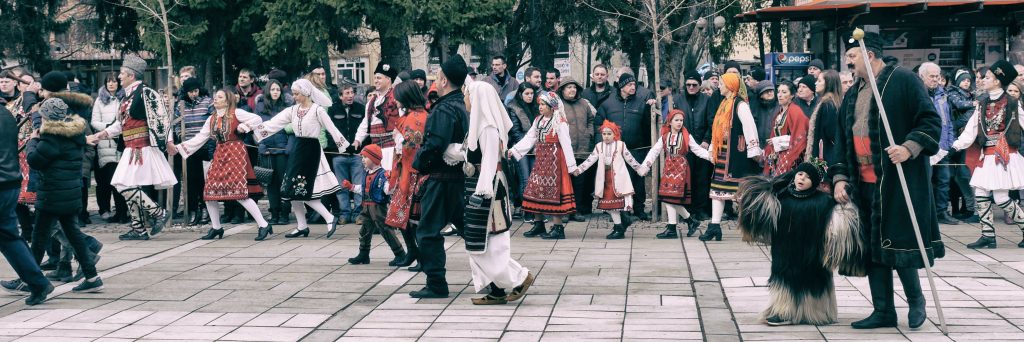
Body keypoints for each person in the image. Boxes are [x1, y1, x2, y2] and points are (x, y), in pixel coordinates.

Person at [832, 30, 943, 330]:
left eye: (852, 57)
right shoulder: (853, 92)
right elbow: (841, 141)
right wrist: (840, 177)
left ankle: (916, 300)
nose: (848, 63)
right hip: (863, 182)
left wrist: (909, 147)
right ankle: (883, 310)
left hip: (897, 180)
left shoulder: (904, 80)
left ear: (869, 55)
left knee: (901, 244)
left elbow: (931, 121)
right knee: (873, 250)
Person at [737, 161, 863, 326]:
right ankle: (783, 311)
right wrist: (782, 179)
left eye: (809, 177)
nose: (802, 178)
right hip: (784, 252)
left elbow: (841, 222)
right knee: (784, 279)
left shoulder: (824, 201)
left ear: (816, 183)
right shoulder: (780, 196)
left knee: (813, 279)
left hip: (813, 253)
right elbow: (758, 198)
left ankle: (815, 312)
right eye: (800, 174)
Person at [87, 54, 176, 241]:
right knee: (127, 185)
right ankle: (139, 228)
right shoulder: (127, 96)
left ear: (131, 75)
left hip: (141, 148)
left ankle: (157, 213)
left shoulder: (146, 93)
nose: (119, 77)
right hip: (131, 147)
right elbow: (120, 124)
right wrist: (100, 135)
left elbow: (162, 118)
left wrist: (167, 141)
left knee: (122, 184)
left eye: (121, 73)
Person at [252, 79, 348, 239]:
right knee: (290, 190)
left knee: (300, 189)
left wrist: (344, 145)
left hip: (311, 151)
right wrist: (253, 129)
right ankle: (302, 225)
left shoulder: (318, 110)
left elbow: (332, 128)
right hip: (297, 149)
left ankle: (330, 217)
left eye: (296, 94)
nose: (294, 96)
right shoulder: (293, 110)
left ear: (305, 93)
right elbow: (274, 123)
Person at [170, 88, 271, 240]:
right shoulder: (211, 118)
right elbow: (200, 138)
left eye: (219, 97)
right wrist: (178, 148)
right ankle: (216, 227)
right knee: (209, 192)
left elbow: (257, 119)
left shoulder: (236, 113)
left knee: (239, 192)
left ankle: (263, 224)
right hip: (220, 153)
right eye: (215, 97)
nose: (215, 99)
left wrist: (245, 127)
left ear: (227, 100)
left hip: (235, 153)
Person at [27, 98, 104, 293]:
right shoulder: (74, 134)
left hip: (52, 195)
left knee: (39, 238)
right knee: (74, 235)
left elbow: (34, 161)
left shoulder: (51, 138)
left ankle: (30, 280)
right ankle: (92, 277)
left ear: (47, 117)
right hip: (70, 194)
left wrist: (32, 141)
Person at [410, 55, 471, 299]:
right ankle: (496, 274)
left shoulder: (444, 108)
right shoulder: (463, 105)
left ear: (444, 79)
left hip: (441, 179)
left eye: (437, 76)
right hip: (457, 178)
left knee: (427, 231)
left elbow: (435, 144)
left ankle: (436, 283)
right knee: (469, 229)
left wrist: (419, 162)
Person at [951, 60, 1024, 249]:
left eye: (988, 77)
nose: (983, 80)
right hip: (988, 155)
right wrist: (957, 146)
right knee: (981, 192)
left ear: (998, 81)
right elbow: (972, 128)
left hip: (1004, 156)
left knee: (1000, 198)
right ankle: (988, 235)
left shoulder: (1013, 103)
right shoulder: (982, 103)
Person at [0, 104, 53, 305]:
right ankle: (38, 283)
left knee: (9, 237)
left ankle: (39, 283)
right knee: (9, 237)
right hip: (10, 182)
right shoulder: (5, 112)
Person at [702, 72, 762, 241]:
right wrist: (713, 148)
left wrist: (753, 150)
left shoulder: (740, 105)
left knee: (741, 193)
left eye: (721, 83)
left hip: (737, 154)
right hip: (723, 153)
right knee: (717, 190)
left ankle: (750, 227)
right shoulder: (724, 104)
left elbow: (750, 127)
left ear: (729, 86)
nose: (719, 86)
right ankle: (715, 226)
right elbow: (717, 130)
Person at [510, 91, 578, 240]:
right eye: (539, 104)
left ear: (552, 107)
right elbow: (530, 138)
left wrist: (572, 166)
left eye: (543, 104)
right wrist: (514, 150)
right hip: (541, 161)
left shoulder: (559, 122)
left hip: (555, 162)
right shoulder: (538, 120)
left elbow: (566, 144)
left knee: (554, 194)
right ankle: (538, 223)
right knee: (534, 190)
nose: (540, 107)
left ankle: (558, 228)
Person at [638, 110, 712, 239]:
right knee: (668, 197)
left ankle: (678, 225)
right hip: (668, 168)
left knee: (671, 198)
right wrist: (645, 165)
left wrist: (711, 157)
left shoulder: (686, 136)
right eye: (676, 120)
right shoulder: (665, 136)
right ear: (670, 121)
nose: (679, 123)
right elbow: (654, 151)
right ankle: (683, 223)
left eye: (681, 120)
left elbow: (697, 150)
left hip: (681, 169)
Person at [596, 73, 653, 221]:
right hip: (615, 149)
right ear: (621, 86)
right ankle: (620, 209)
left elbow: (648, 125)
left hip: (637, 148)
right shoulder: (608, 103)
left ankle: (639, 208)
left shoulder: (641, 103)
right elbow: (599, 124)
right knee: (617, 179)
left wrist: (650, 109)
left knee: (638, 179)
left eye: (634, 84)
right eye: (629, 85)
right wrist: (602, 146)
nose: (633, 87)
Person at [384, 82, 429, 268]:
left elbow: (415, 147)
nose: (394, 100)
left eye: (397, 96)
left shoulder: (417, 118)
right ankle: (412, 251)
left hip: (413, 174)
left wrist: (401, 143)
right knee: (403, 217)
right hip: (405, 172)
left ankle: (421, 256)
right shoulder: (410, 116)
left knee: (413, 219)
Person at [574, 122, 643, 239]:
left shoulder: (620, 145)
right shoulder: (599, 146)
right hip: (605, 179)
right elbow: (590, 160)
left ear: (615, 134)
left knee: (617, 205)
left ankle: (619, 227)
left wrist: (640, 169)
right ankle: (621, 224)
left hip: (618, 179)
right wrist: (579, 169)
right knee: (609, 205)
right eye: (604, 134)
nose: (606, 136)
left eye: (609, 134)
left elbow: (630, 159)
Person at [344, 143, 406, 265]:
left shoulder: (382, 175)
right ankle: (363, 254)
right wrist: (351, 187)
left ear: (374, 159)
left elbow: (388, 190)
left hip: (378, 208)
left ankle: (400, 254)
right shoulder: (367, 173)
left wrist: (392, 180)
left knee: (386, 230)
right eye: (362, 157)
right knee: (365, 230)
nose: (362, 160)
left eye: (365, 157)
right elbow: (362, 189)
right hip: (366, 207)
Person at [915, 63, 960, 226]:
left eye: (937, 76)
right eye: (932, 76)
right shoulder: (918, 94)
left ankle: (942, 212)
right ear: (922, 77)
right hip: (925, 147)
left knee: (944, 181)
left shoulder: (943, 94)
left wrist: (949, 143)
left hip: (942, 146)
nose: (936, 79)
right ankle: (925, 214)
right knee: (925, 182)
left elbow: (948, 121)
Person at [173, 77, 213, 226]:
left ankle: (205, 208)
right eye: (190, 92)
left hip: (204, 146)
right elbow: (176, 123)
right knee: (190, 180)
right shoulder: (181, 105)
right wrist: (179, 134)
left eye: (195, 91)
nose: (193, 94)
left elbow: (212, 120)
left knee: (203, 180)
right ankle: (193, 209)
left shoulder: (208, 102)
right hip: (189, 147)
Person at [254, 80, 294, 225]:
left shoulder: (287, 107)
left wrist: (289, 146)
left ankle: (285, 213)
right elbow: (257, 128)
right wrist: (262, 145)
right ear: (268, 91)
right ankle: (274, 212)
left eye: (278, 89)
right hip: (268, 150)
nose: (275, 92)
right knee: (271, 183)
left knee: (283, 182)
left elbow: (292, 129)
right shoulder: (260, 107)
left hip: (283, 149)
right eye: (273, 89)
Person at [558, 76, 597, 222]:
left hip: (582, 148)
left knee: (580, 182)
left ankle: (577, 210)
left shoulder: (584, 104)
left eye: (574, 87)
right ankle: (565, 211)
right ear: (562, 89)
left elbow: (591, 120)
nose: (572, 90)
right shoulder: (558, 105)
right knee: (565, 182)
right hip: (565, 150)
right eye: (569, 87)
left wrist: (590, 133)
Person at [92, 73, 128, 224]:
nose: (111, 84)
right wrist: (108, 129)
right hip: (103, 143)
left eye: (114, 81)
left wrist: (116, 130)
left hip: (119, 143)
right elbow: (94, 121)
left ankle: (122, 211)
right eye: (108, 81)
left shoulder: (124, 98)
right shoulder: (100, 100)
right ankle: (104, 209)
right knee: (104, 182)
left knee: (119, 181)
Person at [329, 83, 366, 225]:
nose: (350, 95)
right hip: (339, 155)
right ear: (340, 96)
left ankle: (358, 213)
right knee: (341, 186)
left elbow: (365, 130)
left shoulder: (360, 108)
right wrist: (338, 147)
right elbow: (330, 131)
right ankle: (344, 213)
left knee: (358, 184)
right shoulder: (333, 110)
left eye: (351, 93)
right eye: (346, 93)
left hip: (357, 155)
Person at [354, 62, 401, 171]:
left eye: (379, 78)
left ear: (388, 79)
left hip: (391, 147)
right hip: (375, 149)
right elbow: (365, 123)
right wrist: (357, 140)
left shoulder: (397, 97)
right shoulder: (372, 101)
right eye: (375, 78)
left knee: (389, 178)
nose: (375, 81)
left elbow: (403, 121)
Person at [948, 69, 980, 223]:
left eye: (968, 80)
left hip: (967, 140)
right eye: (963, 80)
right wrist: (974, 105)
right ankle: (969, 208)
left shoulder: (973, 94)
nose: (967, 82)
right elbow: (959, 105)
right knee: (958, 175)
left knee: (964, 174)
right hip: (956, 138)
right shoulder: (952, 93)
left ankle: (970, 208)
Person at [763, 81, 809, 177]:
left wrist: (776, 141)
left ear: (792, 95)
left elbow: (800, 136)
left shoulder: (795, 111)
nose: (780, 95)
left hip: (791, 157)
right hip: (777, 156)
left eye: (784, 92)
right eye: (778, 91)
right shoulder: (779, 113)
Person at [507, 82, 539, 214]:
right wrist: (529, 144)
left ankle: (533, 208)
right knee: (525, 177)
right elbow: (515, 132)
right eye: (527, 94)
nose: (530, 96)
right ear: (520, 94)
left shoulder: (536, 107)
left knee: (533, 178)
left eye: (532, 93)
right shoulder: (513, 108)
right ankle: (526, 209)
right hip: (520, 148)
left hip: (534, 148)